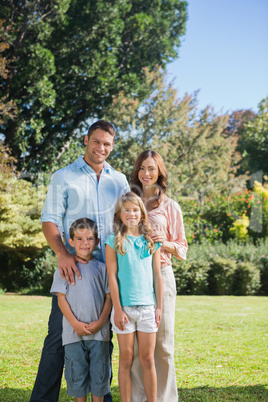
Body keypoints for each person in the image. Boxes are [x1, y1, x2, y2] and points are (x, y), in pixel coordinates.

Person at [30, 120, 129, 402]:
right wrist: (63, 254)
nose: (101, 148)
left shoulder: (119, 180)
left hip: (109, 271)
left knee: (104, 337)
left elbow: (127, 220)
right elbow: (49, 219)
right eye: (96, 141)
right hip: (74, 271)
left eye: (107, 144)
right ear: (86, 140)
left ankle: (102, 395)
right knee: (57, 338)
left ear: (112, 146)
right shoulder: (64, 176)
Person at [130, 150, 188, 402]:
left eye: (151, 168)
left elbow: (182, 247)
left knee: (162, 346)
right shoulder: (129, 202)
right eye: (142, 168)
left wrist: (164, 242)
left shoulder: (170, 206)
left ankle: (165, 398)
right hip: (132, 277)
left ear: (160, 172)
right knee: (134, 349)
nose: (146, 173)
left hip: (161, 276)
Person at [105, 192, 163, 402]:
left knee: (148, 359)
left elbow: (158, 275)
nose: (131, 213)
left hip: (148, 308)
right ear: (119, 214)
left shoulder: (151, 241)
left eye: (135, 209)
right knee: (126, 359)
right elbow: (111, 277)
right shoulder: (113, 241)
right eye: (126, 210)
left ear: (142, 213)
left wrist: (159, 308)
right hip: (125, 311)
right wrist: (117, 309)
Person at [50, 218, 112, 402]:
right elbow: (61, 299)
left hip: (99, 335)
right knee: (77, 378)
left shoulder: (103, 268)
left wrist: (101, 323)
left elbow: (109, 298)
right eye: (79, 238)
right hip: (73, 335)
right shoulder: (63, 268)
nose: (85, 243)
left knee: (99, 377)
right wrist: (76, 324)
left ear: (97, 242)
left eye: (90, 238)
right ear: (70, 241)